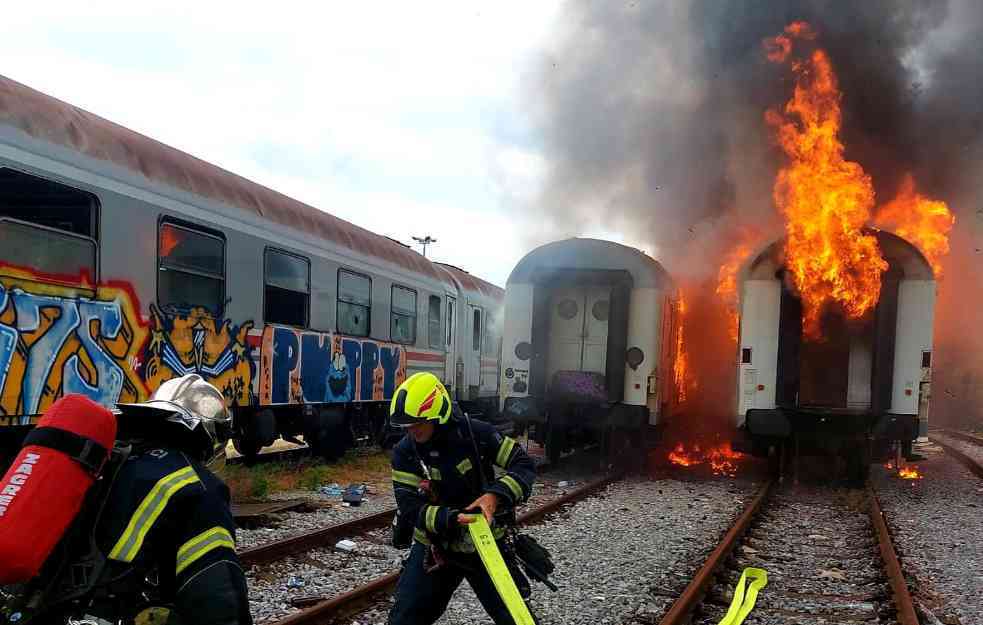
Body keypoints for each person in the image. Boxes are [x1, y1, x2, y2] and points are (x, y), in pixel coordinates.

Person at [5, 374, 253, 625]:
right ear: (209, 434)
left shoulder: (100, 460)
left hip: (35, 609)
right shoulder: (197, 486)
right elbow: (216, 595)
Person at [387, 372, 537, 625]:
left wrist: (494, 496)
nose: (413, 431)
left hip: (486, 545)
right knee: (403, 619)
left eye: (418, 423)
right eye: (407, 426)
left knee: (517, 619)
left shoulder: (477, 434)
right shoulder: (405, 452)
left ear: (439, 414)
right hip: (436, 549)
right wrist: (451, 518)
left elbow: (523, 465)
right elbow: (410, 508)